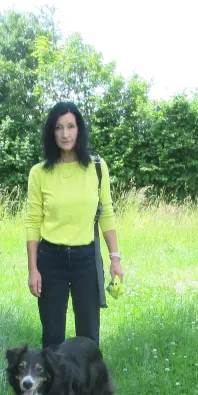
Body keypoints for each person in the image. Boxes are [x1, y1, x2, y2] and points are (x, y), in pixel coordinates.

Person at [25, 101, 123, 350]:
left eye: (71, 126)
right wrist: (33, 269)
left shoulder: (97, 168)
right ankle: (54, 388)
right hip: (50, 259)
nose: (65, 134)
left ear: (79, 129)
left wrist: (115, 258)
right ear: (51, 132)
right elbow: (33, 221)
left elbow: (106, 213)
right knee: (52, 336)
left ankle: (88, 388)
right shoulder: (39, 172)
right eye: (59, 127)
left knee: (88, 337)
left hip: (86, 258)